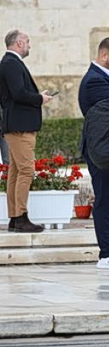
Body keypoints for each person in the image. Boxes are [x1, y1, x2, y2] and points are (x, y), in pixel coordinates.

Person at [78, 37, 109, 266]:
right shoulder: (94, 81)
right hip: (101, 149)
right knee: (106, 200)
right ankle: (106, 252)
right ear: (104, 55)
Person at [0, 30, 53, 234]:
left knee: (15, 171)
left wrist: (37, 96)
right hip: (20, 126)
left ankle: (15, 217)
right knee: (25, 171)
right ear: (19, 43)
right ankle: (20, 216)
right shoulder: (11, 63)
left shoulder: (9, 63)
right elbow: (18, 93)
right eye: (28, 42)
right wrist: (39, 99)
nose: (29, 45)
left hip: (15, 124)